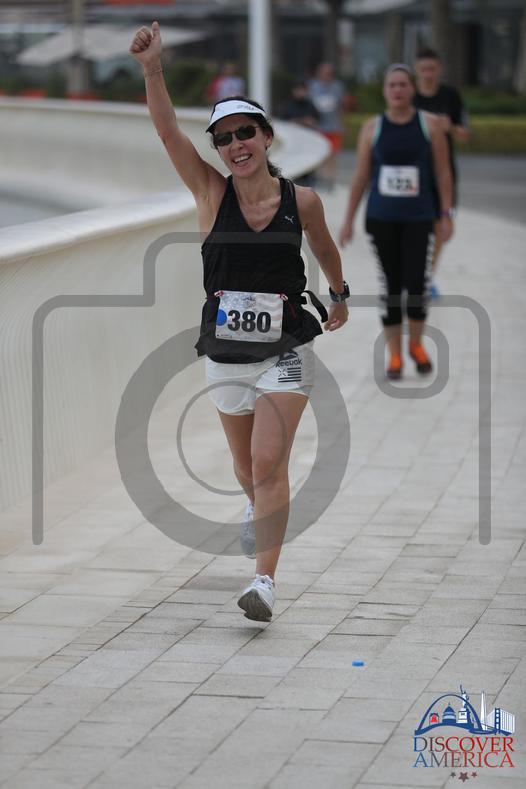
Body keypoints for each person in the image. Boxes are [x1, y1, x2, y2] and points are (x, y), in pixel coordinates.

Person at [130, 22, 349, 622]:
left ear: (267, 137)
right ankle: (256, 507)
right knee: (245, 466)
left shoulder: (302, 201)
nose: (235, 145)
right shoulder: (210, 193)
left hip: (287, 347)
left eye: (245, 132)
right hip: (225, 352)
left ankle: (264, 582)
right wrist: (153, 68)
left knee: (268, 463)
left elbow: (325, 247)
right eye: (224, 138)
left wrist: (338, 294)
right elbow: (166, 131)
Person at [339, 63, 453, 380]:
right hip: (382, 218)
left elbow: (443, 172)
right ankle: (395, 355)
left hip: (419, 218)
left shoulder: (430, 125)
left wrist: (446, 214)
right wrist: (348, 219)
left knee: (416, 285)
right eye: (392, 85)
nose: (398, 90)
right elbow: (361, 176)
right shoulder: (372, 127)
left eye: (403, 84)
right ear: (385, 91)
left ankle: (416, 345)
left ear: (412, 89)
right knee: (390, 287)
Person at [413, 47, 470, 298]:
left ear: (439, 70)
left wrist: (451, 128)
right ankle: (410, 276)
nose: (428, 74)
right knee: (413, 228)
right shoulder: (408, 95)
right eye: (423, 69)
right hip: (414, 174)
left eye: (432, 69)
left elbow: (465, 134)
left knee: (440, 229)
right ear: (416, 70)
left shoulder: (450, 96)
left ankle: (428, 278)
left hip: (444, 173)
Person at [308, 62, 346, 190]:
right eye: (324, 73)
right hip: (317, 128)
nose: (326, 76)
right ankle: (318, 180)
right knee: (319, 155)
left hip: (334, 127)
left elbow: (341, 107)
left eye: (329, 73)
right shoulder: (313, 86)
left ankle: (331, 181)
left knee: (332, 155)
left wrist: (343, 124)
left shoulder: (337, 87)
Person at [278, 81, 320, 186]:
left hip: (307, 142)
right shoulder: (288, 105)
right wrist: (300, 121)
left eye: (303, 90)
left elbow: (316, 119)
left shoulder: (310, 105)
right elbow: (283, 122)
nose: (300, 93)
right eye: (298, 90)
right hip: (294, 142)